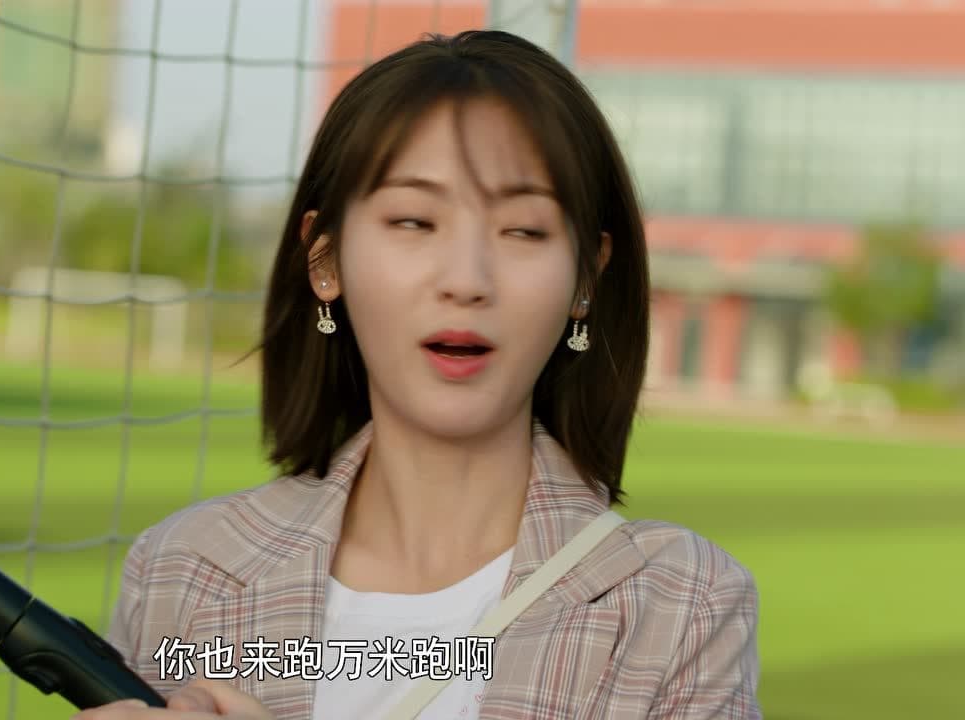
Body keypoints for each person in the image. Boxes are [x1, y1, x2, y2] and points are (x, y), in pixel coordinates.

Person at [75, 29, 760, 720]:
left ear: (585, 278)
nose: (466, 279)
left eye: (523, 230)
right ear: (326, 262)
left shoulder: (680, 605)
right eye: (413, 221)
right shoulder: (185, 570)